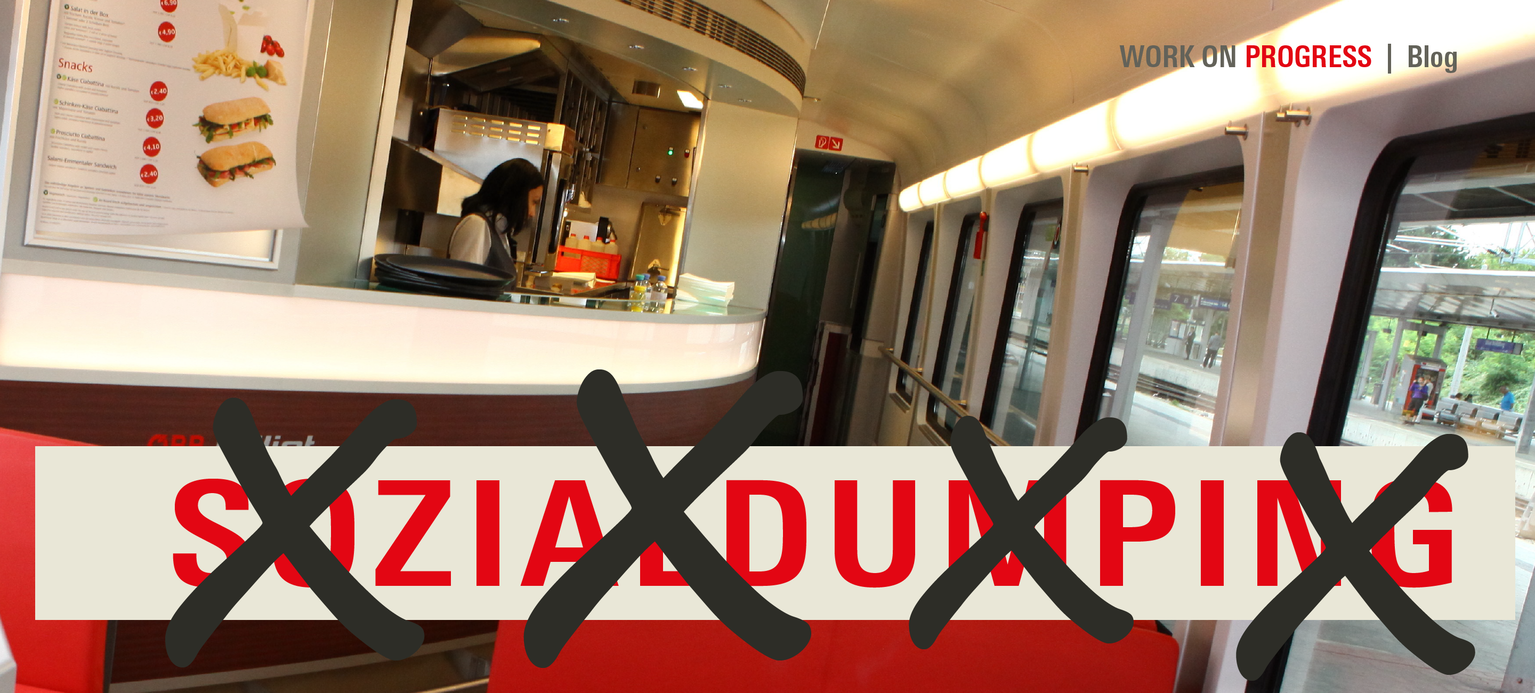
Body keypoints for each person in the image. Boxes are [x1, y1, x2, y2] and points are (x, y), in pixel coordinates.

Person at [448, 159, 544, 273]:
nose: (532, 213)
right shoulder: (476, 225)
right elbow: (463, 279)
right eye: (534, 202)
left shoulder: (499, 231)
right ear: (515, 196)